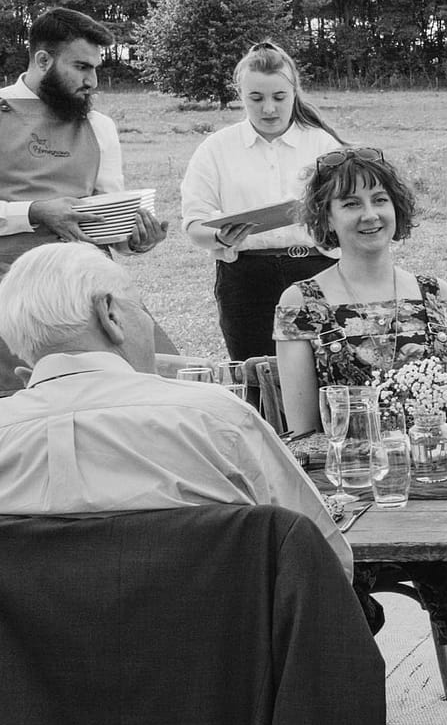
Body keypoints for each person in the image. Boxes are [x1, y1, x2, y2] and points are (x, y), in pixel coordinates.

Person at [270, 146, 447, 725]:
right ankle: (357, 714)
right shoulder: (303, 302)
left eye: (379, 199)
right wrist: (377, 453)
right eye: (351, 202)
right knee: (333, 594)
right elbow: (300, 434)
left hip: (434, 493)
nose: (369, 213)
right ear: (326, 218)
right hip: (352, 500)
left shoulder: (436, 294)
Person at [0, 242, 350, 574]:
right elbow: (324, 557)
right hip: (217, 634)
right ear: (109, 314)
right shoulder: (215, 419)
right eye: (139, 307)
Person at [0, 9, 167, 393]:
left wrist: (133, 238)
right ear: (43, 60)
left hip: (85, 289)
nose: (92, 81)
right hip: (8, 289)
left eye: (94, 68)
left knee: (130, 389)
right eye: (80, 67)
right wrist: (33, 211)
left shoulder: (100, 126)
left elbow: (109, 211)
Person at [180, 42, 343, 359]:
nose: (269, 109)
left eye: (279, 98)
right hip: (246, 279)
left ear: (294, 92)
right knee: (255, 375)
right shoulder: (216, 148)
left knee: (327, 372)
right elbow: (193, 222)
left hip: (317, 270)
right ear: (240, 95)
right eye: (256, 99)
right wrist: (218, 235)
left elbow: (347, 207)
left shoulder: (322, 143)